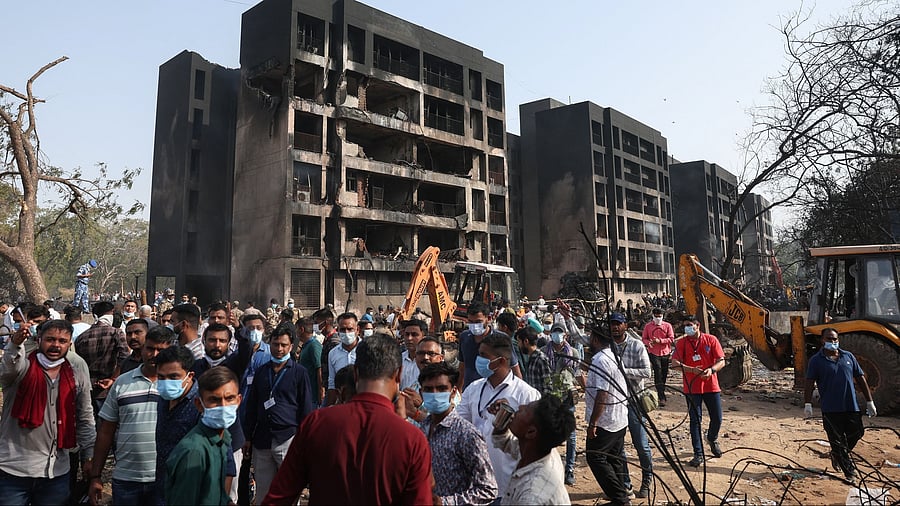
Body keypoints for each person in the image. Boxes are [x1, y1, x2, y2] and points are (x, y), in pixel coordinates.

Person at [262, 333, 433, 504]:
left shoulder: (317, 423)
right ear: (398, 374)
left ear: (356, 373)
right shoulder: (412, 440)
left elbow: (279, 496)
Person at [0, 319, 96, 505]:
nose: (56, 345)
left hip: (56, 471)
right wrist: (15, 344)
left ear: (70, 344)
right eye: (50, 339)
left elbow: (85, 417)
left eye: (62, 341)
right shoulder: (22, 368)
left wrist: (89, 456)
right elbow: (7, 368)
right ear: (39, 340)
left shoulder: (76, 375)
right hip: (14, 469)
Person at [88, 326, 172, 505]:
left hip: (165, 479)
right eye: (150, 348)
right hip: (127, 479)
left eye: (161, 350)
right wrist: (96, 475)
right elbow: (105, 432)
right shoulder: (121, 383)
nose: (154, 354)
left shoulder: (178, 385)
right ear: (143, 349)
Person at [457, 333, 541, 496]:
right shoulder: (474, 388)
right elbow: (458, 424)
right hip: (475, 483)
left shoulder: (527, 395)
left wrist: (511, 419)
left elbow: (537, 442)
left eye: (483, 355)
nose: (478, 360)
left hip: (508, 486)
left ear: (501, 361)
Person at [243, 323, 314, 500]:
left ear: (291, 346)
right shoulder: (261, 372)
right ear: (270, 344)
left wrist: (303, 439)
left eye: (283, 345)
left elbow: (306, 407)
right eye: (276, 344)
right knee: (263, 493)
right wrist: (248, 437)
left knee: (289, 491)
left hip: (288, 438)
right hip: (262, 440)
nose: (279, 349)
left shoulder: (299, 372)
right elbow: (252, 406)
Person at [418, 362, 497, 505]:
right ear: (421, 393)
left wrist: (446, 502)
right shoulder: (420, 430)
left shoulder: (466, 434)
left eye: (442, 389)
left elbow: (488, 489)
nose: (435, 394)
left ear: (453, 392)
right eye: (429, 389)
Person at [803, 328, 876, 479]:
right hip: (831, 408)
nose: (833, 342)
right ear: (822, 341)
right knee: (836, 440)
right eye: (829, 339)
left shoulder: (848, 356)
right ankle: (849, 473)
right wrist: (807, 403)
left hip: (851, 405)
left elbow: (861, 378)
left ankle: (837, 454)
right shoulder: (816, 361)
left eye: (835, 339)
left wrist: (870, 401)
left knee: (857, 432)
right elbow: (809, 382)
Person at [165, 367, 242, 505]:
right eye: (214, 400)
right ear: (199, 405)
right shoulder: (194, 452)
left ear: (238, 400)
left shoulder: (223, 439)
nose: (223, 406)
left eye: (229, 398)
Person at [491, 395, 575, 505]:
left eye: (525, 410)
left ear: (531, 432)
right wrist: (502, 419)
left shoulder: (532, 496)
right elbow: (506, 442)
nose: (520, 407)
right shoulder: (537, 451)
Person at [671, 314, 726, 467]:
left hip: (711, 385)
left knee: (717, 417)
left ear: (698, 325)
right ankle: (698, 453)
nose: (687, 328)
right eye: (685, 325)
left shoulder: (711, 340)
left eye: (690, 325)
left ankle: (712, 438)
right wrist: (690, 369)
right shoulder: (682, 343)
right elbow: (674, 363)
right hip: (692, 387)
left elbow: (721, 360)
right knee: (695, 420)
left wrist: (712, 370)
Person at [585, 324, 630, 505]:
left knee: (595, 456)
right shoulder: (613, 357)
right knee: (614, 457)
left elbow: (603, 394)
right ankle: (620, 494)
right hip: (618, 417)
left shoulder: (601, 360)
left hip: (607, 420)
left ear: (596, 340)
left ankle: (620, 497)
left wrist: (593, 423)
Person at [609, 312, 653, 498]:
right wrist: (566, 318)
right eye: (612, 324)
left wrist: (623, 371)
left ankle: (647, 479)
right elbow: (582, 338)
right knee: (618, 447)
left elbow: (647, 372)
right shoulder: (608, 346)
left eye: (618, 324)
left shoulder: (636, 346)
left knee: (641, 444)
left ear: (625, 325)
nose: (615, 327)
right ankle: (625, 484)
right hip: (615, 403)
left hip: (634, 401)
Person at [75, 300, 130, 424]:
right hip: (108, 387)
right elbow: (125, 357)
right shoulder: (116, 333)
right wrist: (114, 378)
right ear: (111, 314)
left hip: (87, 387)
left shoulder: (82, 337)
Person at [457, 302, 523, 391]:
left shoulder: (501, 338)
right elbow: (462, 367)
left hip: (495, 392)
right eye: (471, 322)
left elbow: (514, 368)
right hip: (470, 391)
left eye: (478, 322)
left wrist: (519, 392)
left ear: (488, 318)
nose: (474, 326)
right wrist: (459, 391)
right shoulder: (464, 337)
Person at [325, 312, 360, 405]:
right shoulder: (333, 353)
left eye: (350, 329)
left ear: (357, 330)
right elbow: (332, 383)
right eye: (343, 329)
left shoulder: (366, 351)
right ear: (338, 330)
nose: (346, 333)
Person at [642, 307, 674, 406]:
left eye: (659, 316)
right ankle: (661, 396)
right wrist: (649, 343)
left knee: (663, 373)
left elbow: (671, 338)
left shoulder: (667, 326)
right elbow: (644, 338)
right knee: (657, 371)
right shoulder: (648, 326)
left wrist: (660, 341)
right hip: (653, 352)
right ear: (652, 316)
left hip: (665, 352)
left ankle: (662, 389)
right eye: (656, 316)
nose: (657, 318)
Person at [295, 317, 323, 406]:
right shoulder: (306, 345)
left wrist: (320, 391)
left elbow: (319, 369)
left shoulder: (314, 345)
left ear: (301, 329)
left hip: (313, 395)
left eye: (296, 329)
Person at [400, 319, 427, 390]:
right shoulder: (398, 359)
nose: (409, 338)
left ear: (423, 337)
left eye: (414, 335)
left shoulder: (430, 361)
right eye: (407, 334)